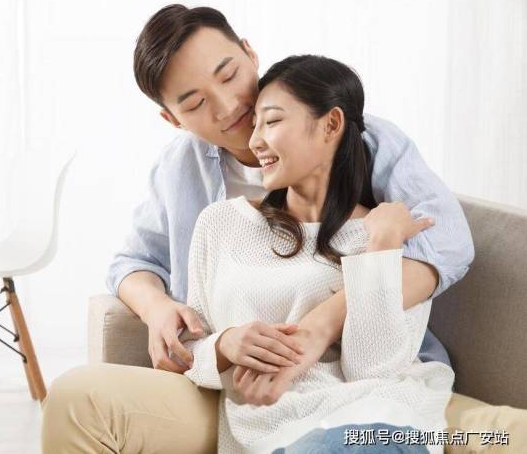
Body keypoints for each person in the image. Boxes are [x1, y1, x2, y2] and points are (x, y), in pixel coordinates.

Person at [40, 5, 473, 453]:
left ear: (250, 53)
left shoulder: (354, 136)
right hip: (236, 391)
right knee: (77, 398)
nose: (228, 107)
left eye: (229, 75)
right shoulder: (189, 182)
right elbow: (135, 262)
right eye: (195, 103)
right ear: (173, 120)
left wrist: (321, 324)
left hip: (355, 380)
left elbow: (445, 239)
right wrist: (158, 308)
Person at [179, 54, 454, 453]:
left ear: (331, 125)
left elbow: (374, 368)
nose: (255, 141)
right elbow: (188, 348)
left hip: (375, 424)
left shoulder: (386, 234)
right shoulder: (221, 224)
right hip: (274, 436)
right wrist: (225, 345)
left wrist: (379, 250)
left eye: (272, 121)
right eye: (254, 125)